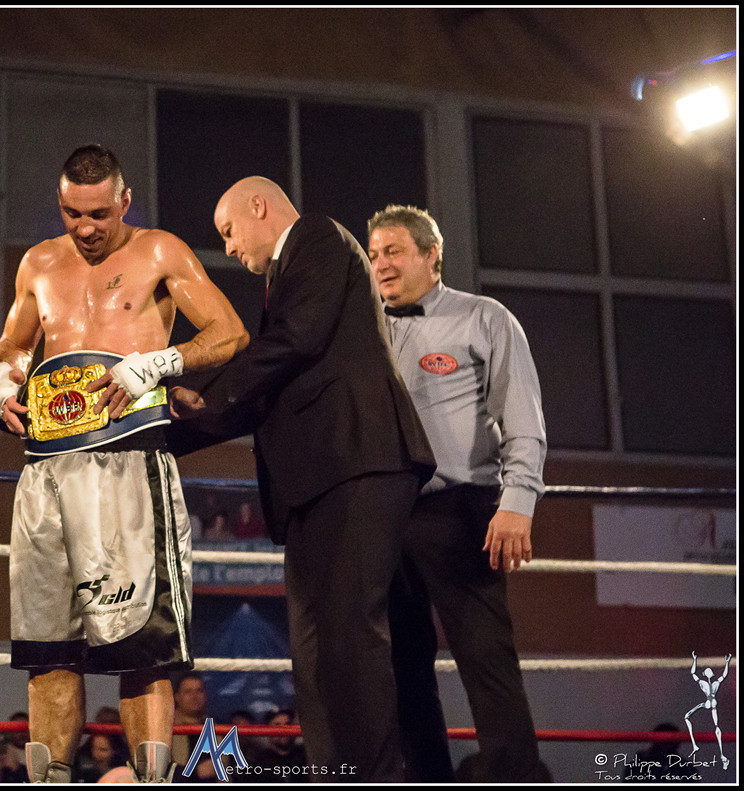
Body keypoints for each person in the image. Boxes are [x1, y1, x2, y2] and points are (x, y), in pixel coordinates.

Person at [0, 144, 248, 782]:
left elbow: (229, 331)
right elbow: (15, 343)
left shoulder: (160, 251)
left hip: (129, 460)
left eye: (100, 214)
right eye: (73, 214)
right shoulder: (38, 262)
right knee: (48, 651)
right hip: (46, 470)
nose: (86, 228)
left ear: (125, 202)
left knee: (143, 648)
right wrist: (1, 381)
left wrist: (158, 363)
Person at [168, 177, 435, 781]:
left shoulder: (317, 237)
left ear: (259, 206)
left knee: (350, 638)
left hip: (356, 462)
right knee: (313, 655)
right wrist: (167, 432)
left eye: (229, 231)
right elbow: (268, 389)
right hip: (317, 482)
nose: (229, 247)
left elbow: (293, 342)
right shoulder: (286, 279)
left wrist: (198, 390)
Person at [366, 204, 549, 783]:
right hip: (385, 516)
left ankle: (514, 777)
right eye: (373, 254)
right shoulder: (363, 330)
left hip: (461, 509)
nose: (380, 264)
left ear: (431, 254)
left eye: (394, 251)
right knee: (402, 667)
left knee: (486, 660)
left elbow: (524, 421)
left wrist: (518, 502)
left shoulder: (484, 318)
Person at [254, 709, 307, 782]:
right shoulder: (258, 762)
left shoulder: (305, 757)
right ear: (268, 730)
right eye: (277, 725)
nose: (284, 730)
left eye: (288, 724)